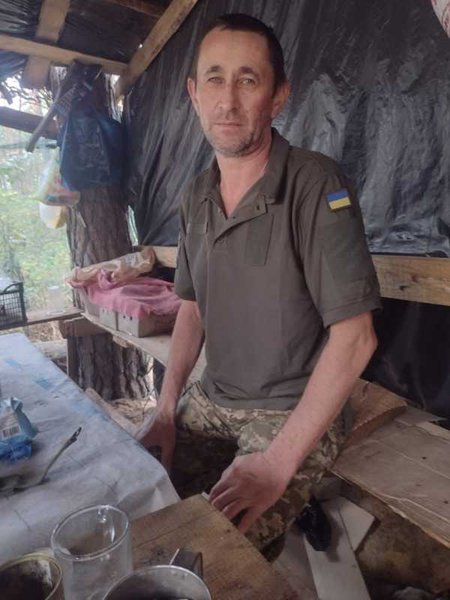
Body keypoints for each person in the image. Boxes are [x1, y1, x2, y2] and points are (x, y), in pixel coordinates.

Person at [140, 13, 381, 559]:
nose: (228, 100)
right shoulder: (195, 194)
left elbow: (356, 338)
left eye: (248, 80)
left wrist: (277, 464)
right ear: (193, 94)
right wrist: (165, 408)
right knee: (145, 499)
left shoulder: (316, 183)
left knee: (215, 555)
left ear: (278, 97)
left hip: (289, 408)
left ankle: (288, 504)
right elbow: (192, 307)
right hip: (214, 396)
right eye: (215, 79)